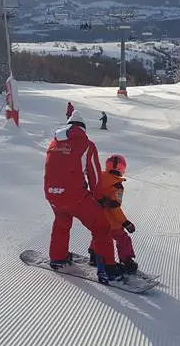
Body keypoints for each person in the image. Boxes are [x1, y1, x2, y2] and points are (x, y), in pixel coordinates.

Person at [43, 110, 122, 280]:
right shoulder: (87, 144)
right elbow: (93, 175)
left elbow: (50, 170)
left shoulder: (53, 143)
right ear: (83, 129)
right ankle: (107, 268)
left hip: (53, 194)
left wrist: (53, 192)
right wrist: (99, 198)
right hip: (74, 196)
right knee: (101, 227)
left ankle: (58, 257)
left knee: (61, 223)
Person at [88, 154, 138, 273]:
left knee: (99, 236)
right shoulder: (117, 185)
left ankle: (94, 255)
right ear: (122, 169)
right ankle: (126, 261)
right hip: (111, 221)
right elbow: (114, 208)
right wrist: (125, 222)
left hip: (97, 217)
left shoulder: (98, 177)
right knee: (122, 238)